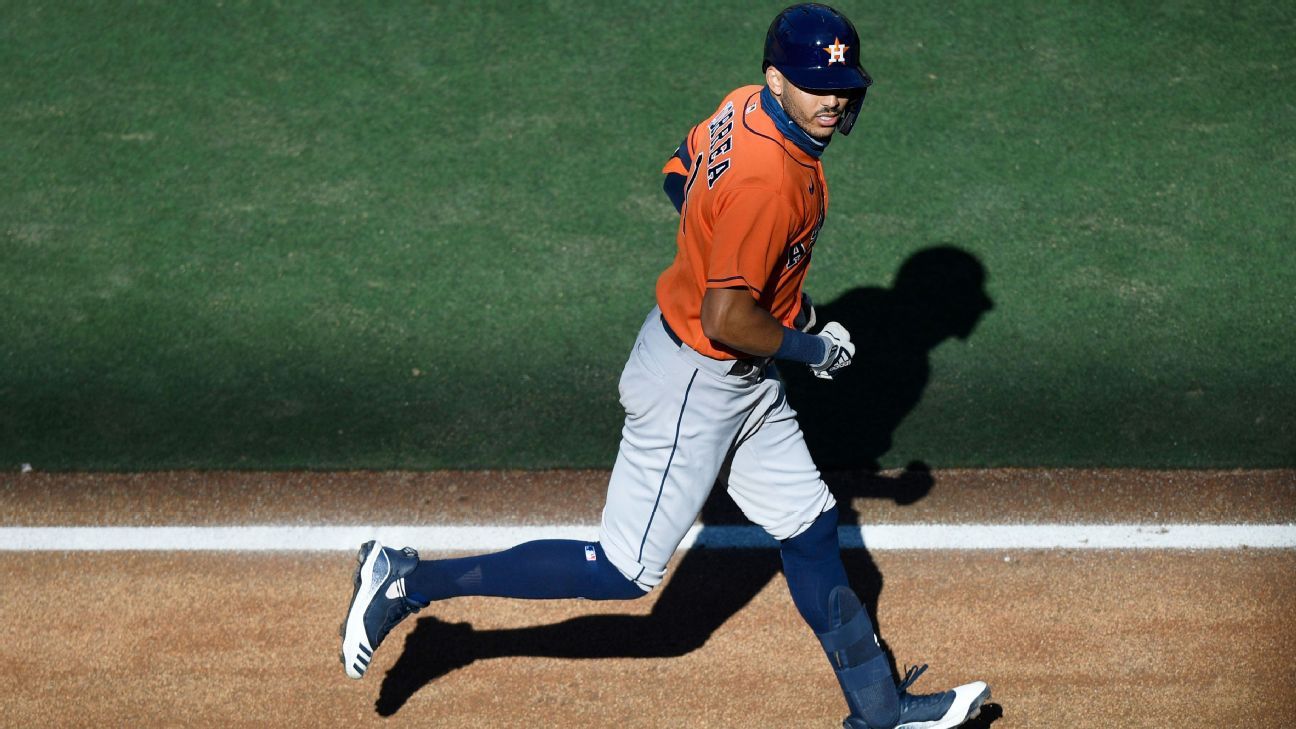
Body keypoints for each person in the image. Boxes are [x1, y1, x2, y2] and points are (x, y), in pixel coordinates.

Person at [339, 4, 990, 727]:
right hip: (696, 381)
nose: (833, 98)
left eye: (841, 83)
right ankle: (409, 582)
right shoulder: (770, 181)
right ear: (778, 79)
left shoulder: (744, 108)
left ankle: (879, 709)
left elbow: (679, 177)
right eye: (815, 84)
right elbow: (725, 318)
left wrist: (736, 260)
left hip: (738, 380)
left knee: (808, 528)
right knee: (625, 572)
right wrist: (813, 345)